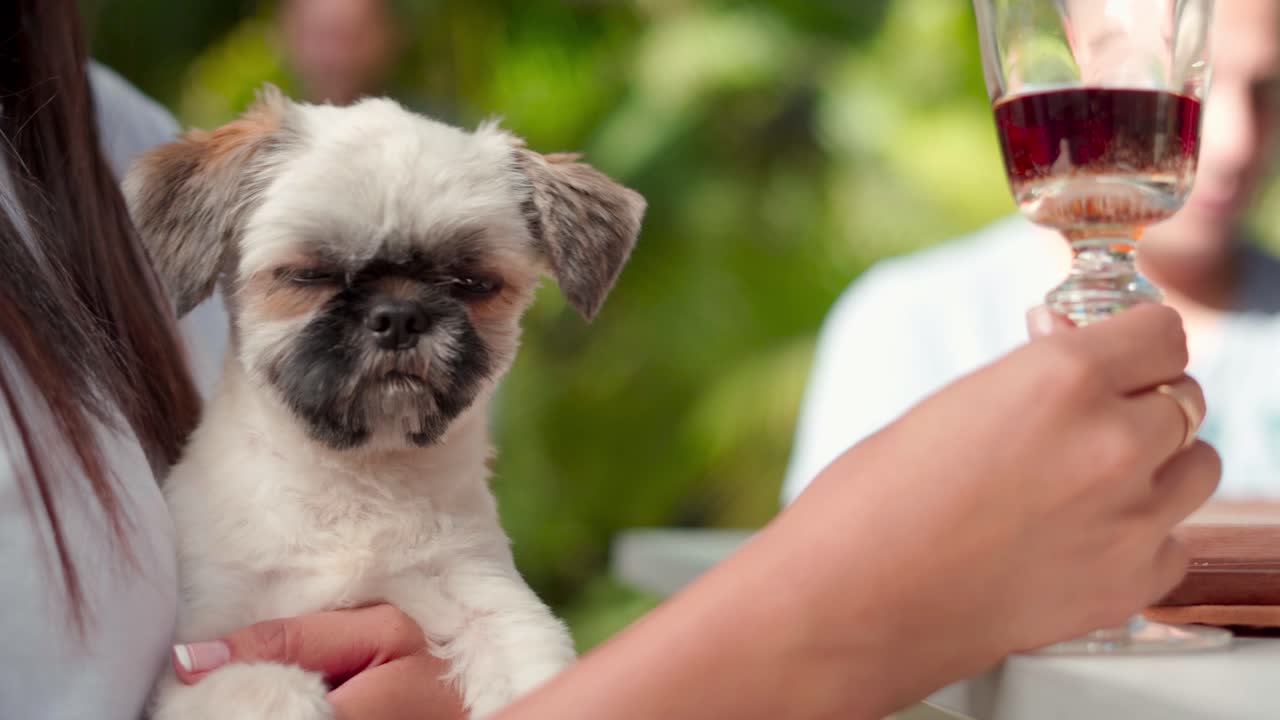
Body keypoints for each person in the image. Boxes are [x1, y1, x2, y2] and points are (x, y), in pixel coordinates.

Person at [1, 2, 1218, 719]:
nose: (395, 324)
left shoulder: (93, 137)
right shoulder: (144, 175)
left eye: (470, 287)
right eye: (315, 280)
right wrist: (845, 605)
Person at [782, 0, 1280, 506]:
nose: (1236, 142)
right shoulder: (901, 324)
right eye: (1175, 74)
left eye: (1267, 90)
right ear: (1067, 48)